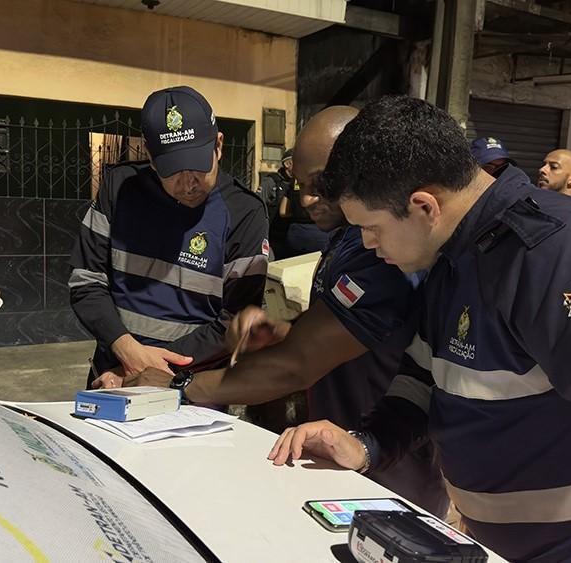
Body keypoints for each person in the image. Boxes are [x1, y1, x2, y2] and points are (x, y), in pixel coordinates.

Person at [272, 95, 571, 560]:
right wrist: (365, 446)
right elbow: (425, 379)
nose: (368, 245)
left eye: (371, 227)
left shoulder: (551, 258)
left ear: (423, 206)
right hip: (487, 543)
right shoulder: (453, 255)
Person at [122, 106, 448, 517]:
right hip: (335, 453)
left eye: (321, 184)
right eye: (300, 184)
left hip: (390, 472)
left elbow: (296, 366)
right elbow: (335, 332)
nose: (306, 198)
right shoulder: (349, 240)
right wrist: (283, 331)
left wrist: (179, 387)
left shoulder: (385, 251)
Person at [69, 85, 269, 388]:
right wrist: (124, 348)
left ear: (218, 145)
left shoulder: (244, 213)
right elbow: (86, 282)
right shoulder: (119, 190)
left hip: (192, 385)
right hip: (110, 376)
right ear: (149, 154)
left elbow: (234, 321)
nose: (188, 184)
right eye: (172, 171)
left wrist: (143, 370)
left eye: (199, 167)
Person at [278, 149, 332, 256]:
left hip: (295, 233)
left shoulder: (295, 180)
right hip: (319, 234)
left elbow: (283, 212)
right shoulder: (324, 177)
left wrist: (298, 213)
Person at [258, 148, 294, 259]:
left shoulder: (298, 182)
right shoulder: (271, 182)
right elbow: (258, 205)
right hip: (273, 238)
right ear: (287, 164)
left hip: (290, 237)